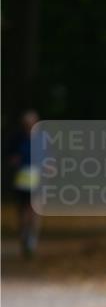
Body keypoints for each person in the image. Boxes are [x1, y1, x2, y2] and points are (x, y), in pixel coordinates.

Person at [6, 109, 42, 258]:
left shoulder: (42, 139)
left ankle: (32, 240)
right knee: (22, 210)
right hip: (22, 179)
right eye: (26, 124)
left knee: (34, 210)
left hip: (38, 179)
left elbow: (50, 158)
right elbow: (9, 158)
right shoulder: (16, 139)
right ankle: (24, 236)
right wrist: (14, 161)